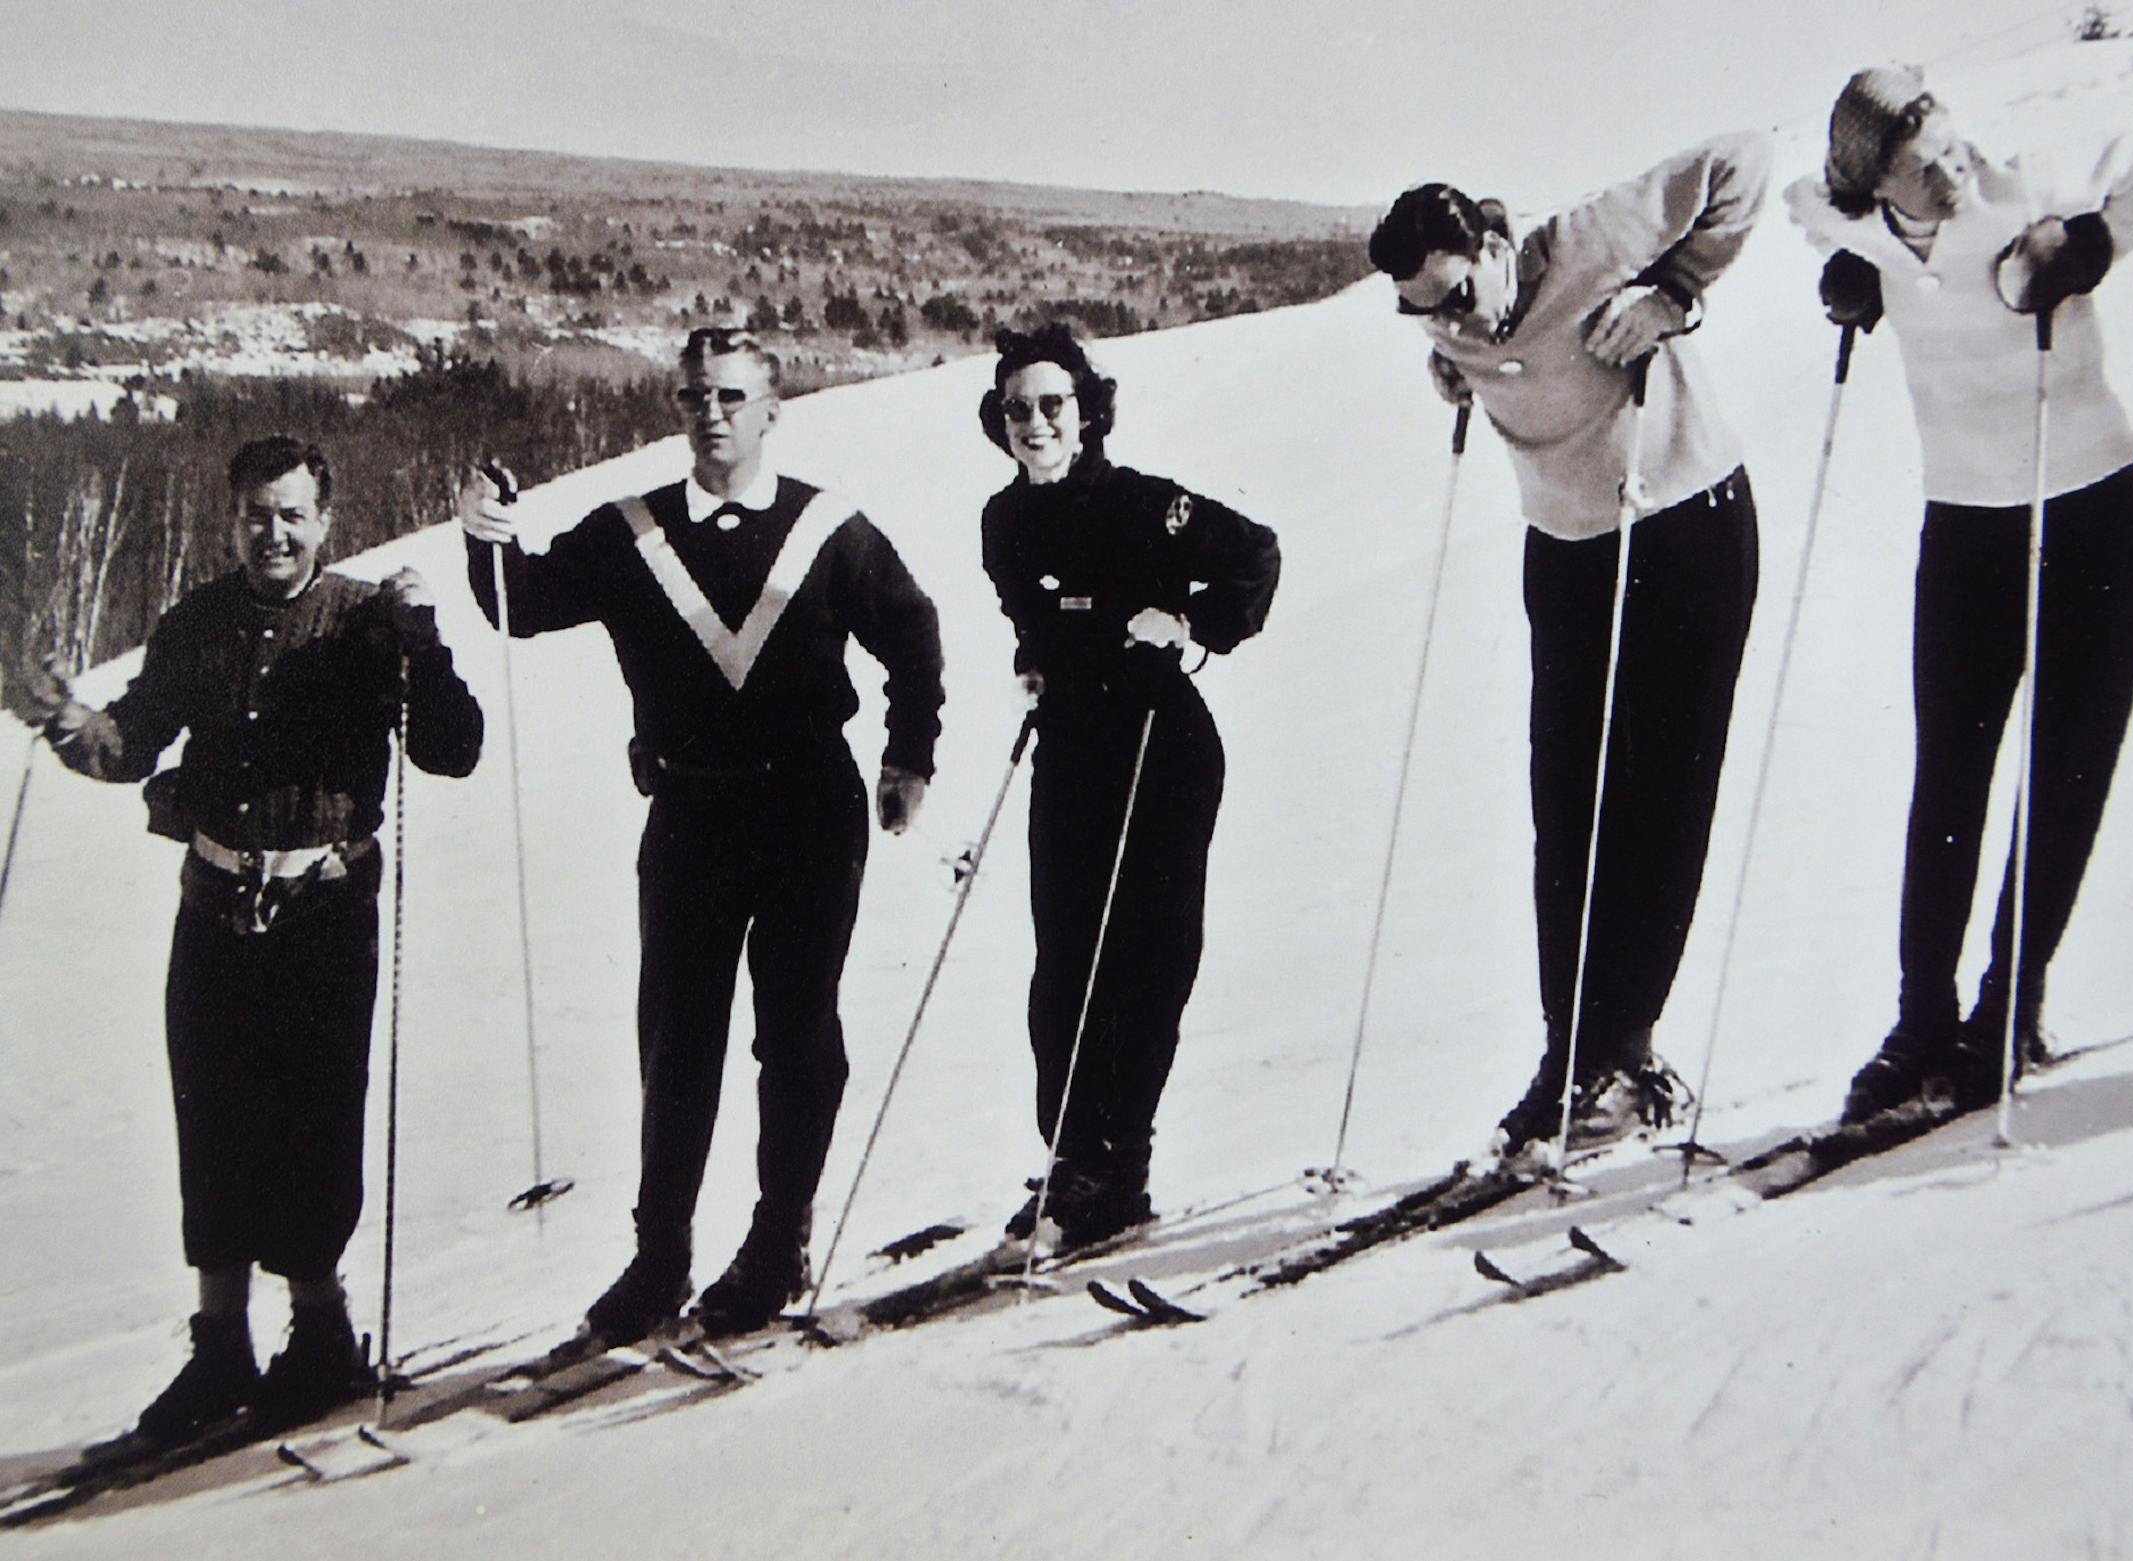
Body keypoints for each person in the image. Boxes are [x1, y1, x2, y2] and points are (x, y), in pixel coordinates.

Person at [458, 327, 943, 1340]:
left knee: (796, 1030)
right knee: (676, 1040)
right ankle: (660, 1257)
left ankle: (777, 1241)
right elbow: (523, 603)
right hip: (689, 814)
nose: (711, 413)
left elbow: (912, 632)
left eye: (730, 396)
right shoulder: (630, 531)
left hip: (808, 811)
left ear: (771, 409)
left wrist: (909, 755)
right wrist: (483, 533)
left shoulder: (827, 528)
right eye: (693, 397)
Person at [26, 435, 484, 1444]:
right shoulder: (196, 622)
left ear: (325, 521)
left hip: (323, 915)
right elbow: (130, 740)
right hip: (214, 910)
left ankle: (321, 1335)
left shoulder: (366, 619)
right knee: (214, 1125)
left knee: (314, 1123)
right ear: (231, 519)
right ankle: (221, 1346)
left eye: (291, 515)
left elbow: (453, 750)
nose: (272, 533)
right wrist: (63, 718)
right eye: (254, 515)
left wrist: (425, 644)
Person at [1368, 131, 1771, 1166]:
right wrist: (1450, 355)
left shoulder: (1585, 243)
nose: (1454, 321)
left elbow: (1743, 159)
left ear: (1495, 248)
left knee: (1661, 797)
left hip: (1682, 527)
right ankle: (1572, 1054)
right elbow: (1473, 344)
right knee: (1569, 808)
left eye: (1460, 295)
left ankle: (1626, 1057)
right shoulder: (1453, 325)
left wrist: (1675, 291)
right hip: (1570, 552)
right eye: (1425, 311)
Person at [1789, 67, 2133, 1120]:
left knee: (2065, 775)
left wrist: (2093, 241)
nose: (1950, 174)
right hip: (1967, 534)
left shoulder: (2028, 182)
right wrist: (1846, 276)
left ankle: (2008, 1008)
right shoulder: (1854, 225)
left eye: (1951, 148)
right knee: (1948, 778)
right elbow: (1808, 209)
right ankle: (1921, 1021)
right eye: (1922, 168)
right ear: (1876, 184)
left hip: (2093, 513)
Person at [977, 323, 1280, 1248]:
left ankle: (1121, 1163)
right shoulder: (1004, 521)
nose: (1036, 423)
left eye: (1053, 405)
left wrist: (1188, 621)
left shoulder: (1145, 503)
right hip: (1072, 745)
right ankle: (1073, 1156)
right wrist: (1036, 659)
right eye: (1018, 409)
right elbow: (1032, 614)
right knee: (1065, 959)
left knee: (1146, 956)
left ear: (1087, 412)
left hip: (1160, 743)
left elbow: (1256, 555)